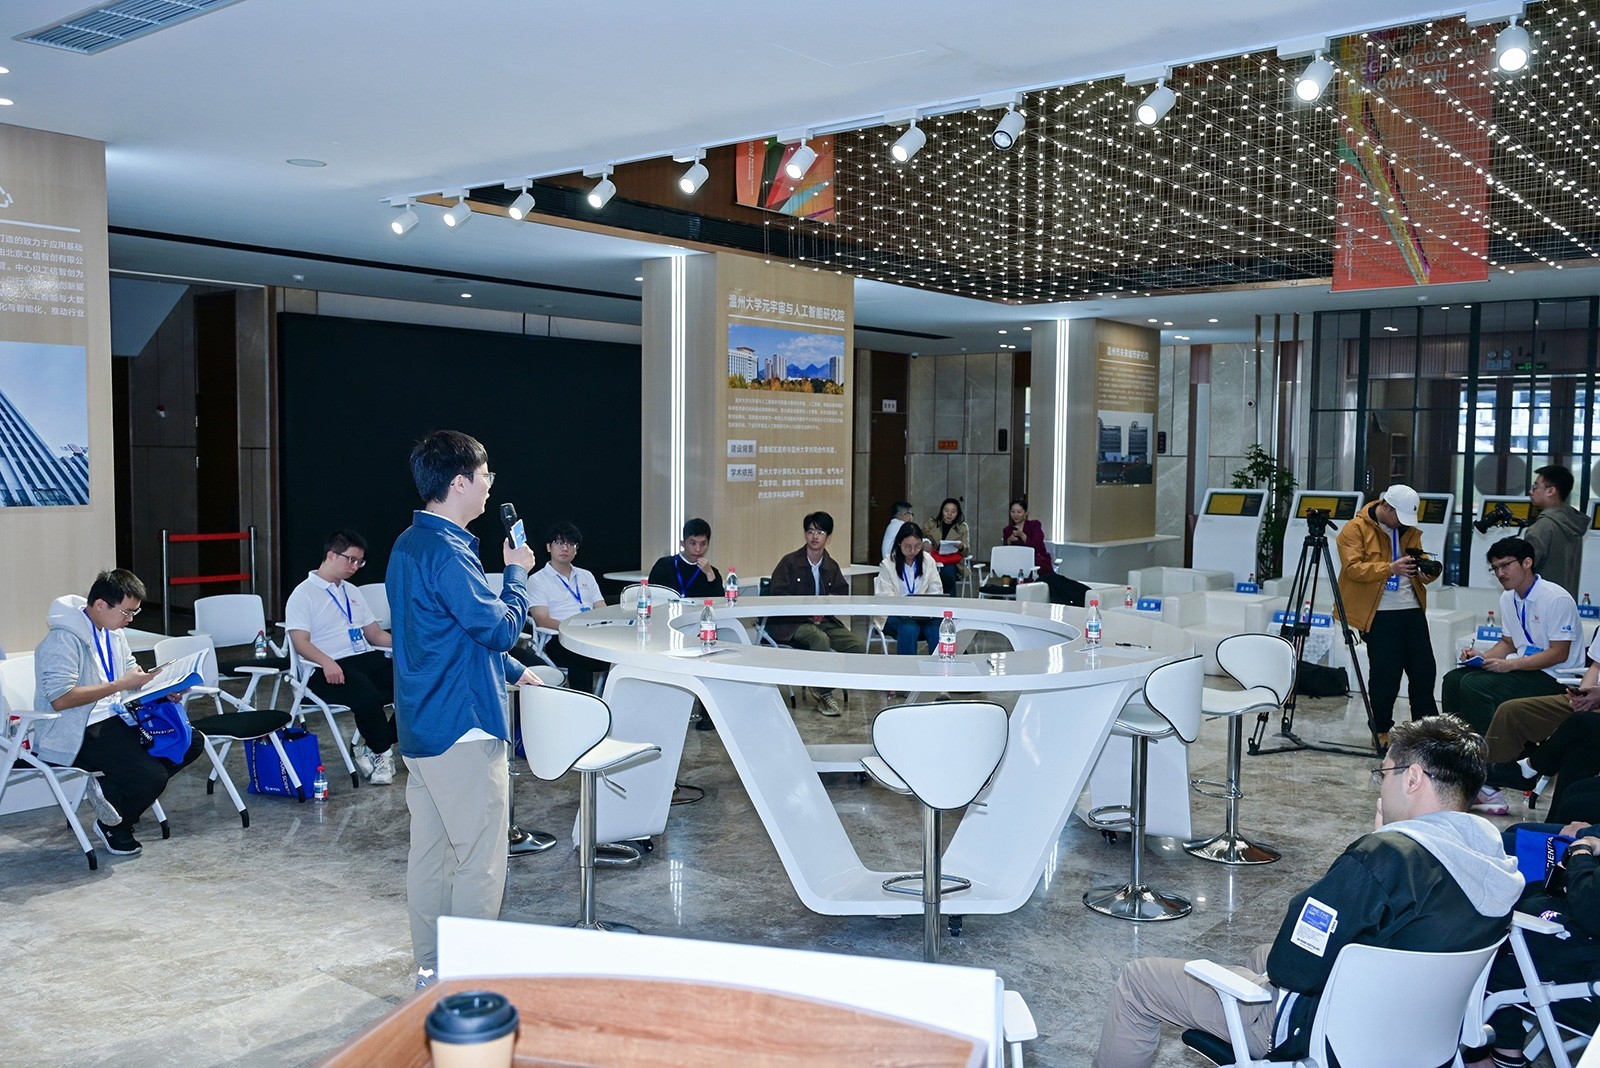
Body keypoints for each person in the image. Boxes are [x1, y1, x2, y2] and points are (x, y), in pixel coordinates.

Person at [1091, 715, 1521, 1068]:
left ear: (1412, 779)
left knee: (1140, 981)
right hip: (1417, 1031)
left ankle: (1256, 1037)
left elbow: (1293, 968)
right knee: (1258, 956)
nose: (1381, 785)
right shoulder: (1490, 856)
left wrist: (1379, 841)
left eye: (1384, 773)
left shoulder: (1384, 858)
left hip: (1331, 1032)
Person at [388, 429, 545, 991]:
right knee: (480, 858)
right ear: (459, 483)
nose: (489, 485)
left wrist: (512, 670)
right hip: (464, 725)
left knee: (430, 856)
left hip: (423, 725)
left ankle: (433, 970)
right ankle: (470, 982)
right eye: (484, 475)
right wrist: (518, 574)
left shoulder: (410, 543)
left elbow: (442, 632)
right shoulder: (450, 552)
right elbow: (498, 628)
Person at [32, 569, 204, 857]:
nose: (130, 619)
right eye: (127, 612)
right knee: (150, 777)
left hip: (115, 718)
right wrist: (119, 685)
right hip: (78, 729)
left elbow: (130, 678)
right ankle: (115, 825)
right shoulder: (62, 640)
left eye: (135, 612)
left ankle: (113, 795)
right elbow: (61, 699)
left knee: (190, 741)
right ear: (100, 605)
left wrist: (162, 689)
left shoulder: (114, 634)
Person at [1464, 820, 1600, 1068]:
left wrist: (1581, 853)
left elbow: (1591, 907)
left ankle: (1501, 1054)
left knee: (1486, 938)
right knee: (1529, 895)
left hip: (1589, 984)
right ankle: (1503, 1051)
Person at [284, 529, 397, 785]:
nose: (355, 566)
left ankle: (374, 744)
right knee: (365, 691)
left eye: (360, 562)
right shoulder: (303, 594)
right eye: (351, 559)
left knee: (415, 682)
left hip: (362, 658)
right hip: (323, 668)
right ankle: (383, 754)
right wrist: (326, 661)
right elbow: (300, 642)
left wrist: (407, 645)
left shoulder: (353, 592)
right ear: (331, 555)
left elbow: (375, 635)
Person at [1334, 484, 1439, 748]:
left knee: (1424, 671)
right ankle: (1381, 729)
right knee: (1385, 674)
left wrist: (1425, 572)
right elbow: (1353, 569)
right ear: (1387, 507)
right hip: (1379, 613)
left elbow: (1419, 558)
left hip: (1412, 609)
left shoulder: (1408, 531)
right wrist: (1390, 568)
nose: (1402, 523)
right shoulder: (1354, 529)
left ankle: (1426, 731)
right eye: (1399, 517)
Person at [1442, 537, 1581, 737]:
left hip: (1554, 677)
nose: (1500, 573)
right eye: (1495, 568)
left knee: (1475, 685)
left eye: (1505, 565)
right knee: (1453, 679)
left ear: (1527, 563)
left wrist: (1511, 665)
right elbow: (1508, 643)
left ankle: (1490, 748)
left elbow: (1559, 653)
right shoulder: (1508, 597)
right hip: (1524, 668)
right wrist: (1481, 657)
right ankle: (1454, 742)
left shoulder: (1556, 598)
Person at [768, 510, 865, 716]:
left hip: (824, 620)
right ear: (805, 534)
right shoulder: (789, 562)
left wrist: (826, 606)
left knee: (856, 645)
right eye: (811, 531)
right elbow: (777, 594)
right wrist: (805, 608)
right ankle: (824, 694)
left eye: (820, 532)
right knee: (819, 639)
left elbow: (842, 594)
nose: (814, 536)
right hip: (792, 622)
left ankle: (824, 683)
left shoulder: (831, 566)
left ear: (828, 537)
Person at [1482, 624, 1600, 763]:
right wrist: (1583, 695)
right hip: (1589, 698)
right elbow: (1595, 667)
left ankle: (1531, 767)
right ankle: (1490, 770)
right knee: (1510, 711)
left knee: (1580, 723)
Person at [526, 521, 609, 694]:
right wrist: (573, 629)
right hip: (559, 637)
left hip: (591, 635)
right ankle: (585, 703)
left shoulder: (586, 576)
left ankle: (610, 701)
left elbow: (601, 607)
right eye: (559, 543)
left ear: (576, 549)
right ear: (549, 547)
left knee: (618, 655)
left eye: (571, 544)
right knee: (580, 658)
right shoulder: (537, 580)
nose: (565, 548)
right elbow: (542, 619)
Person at [1001, 497, 1089, 606]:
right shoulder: (1007, 530)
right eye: (1013, 512)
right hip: (1017, 566)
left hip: (1038, 563)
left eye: (1019, 512)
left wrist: (1022, 535)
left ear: (1026, 513)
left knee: (1055, 583)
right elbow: (1006, 553)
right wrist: (1009, 540)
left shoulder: (1034, 525)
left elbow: (1037, 546)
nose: (1016, 515)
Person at [1524, 465, 1588, 602]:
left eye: (1535, 486)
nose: (1530, 491)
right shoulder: (1572, 522)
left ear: (1551, 491)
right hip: (1566, 603)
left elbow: (1522, 572)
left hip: (1542, 606)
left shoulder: (1542, 527)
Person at [876, 522, 942, 655]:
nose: (912, 551)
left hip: (923, 615)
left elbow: (936, 591)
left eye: (917, 546)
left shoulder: (928, 561)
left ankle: (941, 666)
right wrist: (905, 610)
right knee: (909, 628)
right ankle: (907, 667)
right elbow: (884, 598)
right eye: (907, 547)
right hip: (894, 615)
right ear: (899, 543)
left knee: (937, 628)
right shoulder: (888, 564)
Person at [646, 517, 725, 601]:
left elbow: (720, 603)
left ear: (708, 545)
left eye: (703, 544)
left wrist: (709, 574)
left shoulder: (712, 572)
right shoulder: (664, 565)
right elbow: (652, 597)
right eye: (693, 543)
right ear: (682, 543)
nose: (698, 549)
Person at [926, 497, 970, 596]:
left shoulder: (962, 527)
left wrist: (961, 547)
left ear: (958, 513)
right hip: (933, 560)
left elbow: (967, 551)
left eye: (953, 512)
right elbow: (922, 536)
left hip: (952, 562)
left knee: (948, 573)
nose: (949, 514)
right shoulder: (932, 523)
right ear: (942, 511)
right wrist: (928, 540)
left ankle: (950, 601)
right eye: (946, 511)